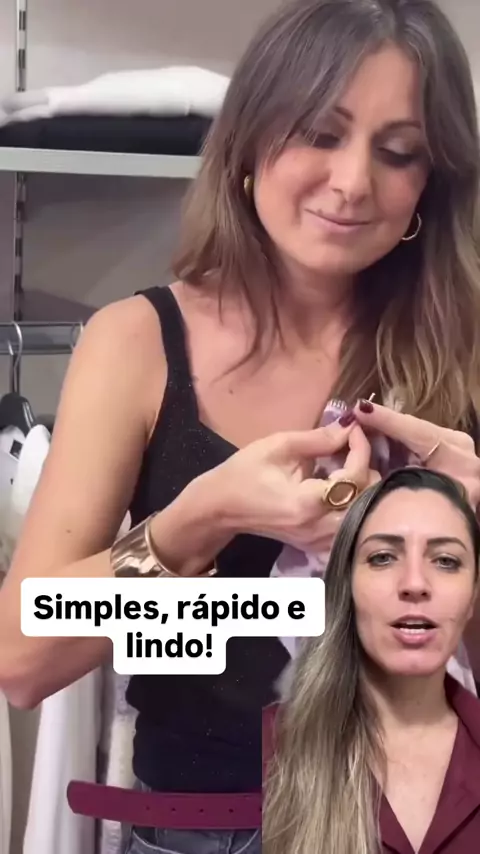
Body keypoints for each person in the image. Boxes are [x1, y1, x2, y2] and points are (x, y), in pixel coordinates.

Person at [1, 0, 480, 851]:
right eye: (320, 133)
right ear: (252, 142)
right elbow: (23, 660)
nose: (352, 182)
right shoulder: (135, 344)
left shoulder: (466, 356)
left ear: (429, 184)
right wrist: (198, 521)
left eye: (398, 152)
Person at [262, 467, 480, 854]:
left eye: (446, 561)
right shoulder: (267, 751)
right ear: (345, 585)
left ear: (473, 595)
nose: (415, 584)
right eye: (382, 558)